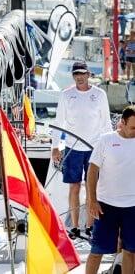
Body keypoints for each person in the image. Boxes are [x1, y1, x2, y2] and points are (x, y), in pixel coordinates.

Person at [51, 61, 112, 239]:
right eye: (76, 74)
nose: (79, 77)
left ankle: (90, 226)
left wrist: (107, 148)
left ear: (88, 75)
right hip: (72, 147)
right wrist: (55, 146)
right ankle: (76, 226)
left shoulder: (99, 95)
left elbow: (106, 123)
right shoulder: (66, 95)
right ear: (73, 76)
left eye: (82, 73)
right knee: (74, 187)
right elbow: (58, 122)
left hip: (94, 148)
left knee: (91, 188)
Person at [85, 105, 135, 274]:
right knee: (97, 251)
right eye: (133, 127)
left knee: (130, 251)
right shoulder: (106, 140)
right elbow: (92, 171)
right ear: (122, 122)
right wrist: (92, 200)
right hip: (106, 205)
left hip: (132, 206)